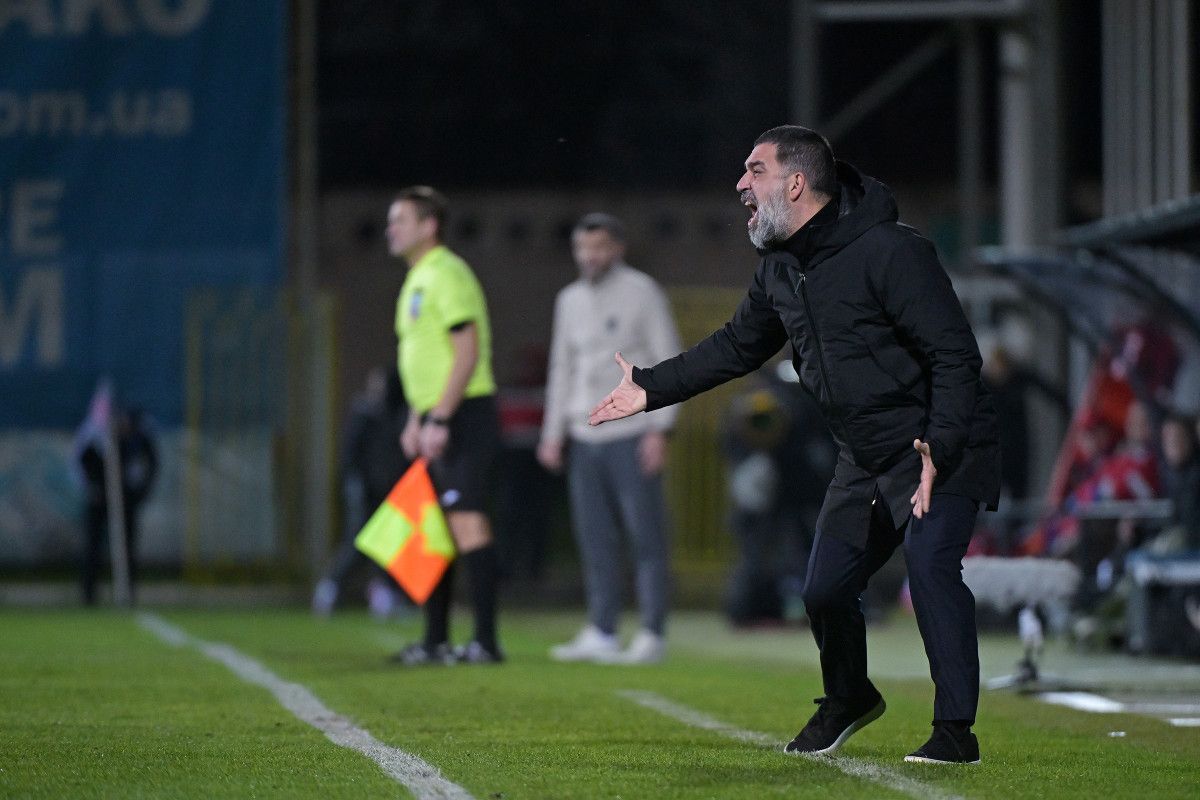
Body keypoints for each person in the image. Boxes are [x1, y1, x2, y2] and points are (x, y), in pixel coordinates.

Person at [588, 126, 1000, 764]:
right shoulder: (781, 267)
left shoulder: (892, 250)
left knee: (931, 569)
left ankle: (955, 733)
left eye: (755, 171)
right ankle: (849, 698)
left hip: (936, 444)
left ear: (798, 183)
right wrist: (649, 387)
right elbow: (736, 346)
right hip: (863, 456)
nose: (741, 184)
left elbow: (955, 356)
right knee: (824, 592)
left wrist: (939, 446)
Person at [538, 213, 682, 664]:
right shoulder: (569, 299)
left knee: (645, 536)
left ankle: (652, 633)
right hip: (584, 436)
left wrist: (661, 429)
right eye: (582, 248)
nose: (589, 256)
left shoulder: (642, 291)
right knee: (594, 538)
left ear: (618, 248)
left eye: (598, 247)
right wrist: (552, 433)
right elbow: (562, 366)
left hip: (632, 433)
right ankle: (602, 629)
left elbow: (668, 360)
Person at [386, 185, 503, 665]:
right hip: (436, 415)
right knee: (433, 530)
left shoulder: (446, 273)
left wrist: (440, 417)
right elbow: (425, 359)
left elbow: (466, 352)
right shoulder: (417, 277)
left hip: (464, 413)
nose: (391, 229)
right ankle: (435, 640)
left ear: (429, 225)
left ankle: (486, 642)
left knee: (467, 523)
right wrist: (416, 418)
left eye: (400, 220)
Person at [312, 366, 410, 618]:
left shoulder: (398, 414)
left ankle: (383, 593)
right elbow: (350, 454)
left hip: (388, 489)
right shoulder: (364, 413)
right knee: (358, 540)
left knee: (388, 541)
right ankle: (331, 587)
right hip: (363, 488)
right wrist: (355, 483)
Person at [79, 407, 158, 606]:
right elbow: (84, 462)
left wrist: (138, 494)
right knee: (94, 547)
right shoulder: (97, 440)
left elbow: (150, 465)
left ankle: (128, 592)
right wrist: (95, 487)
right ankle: (89, 594)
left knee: (128, 548)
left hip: (126, 501)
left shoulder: (136, 441)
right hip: (100, 501)